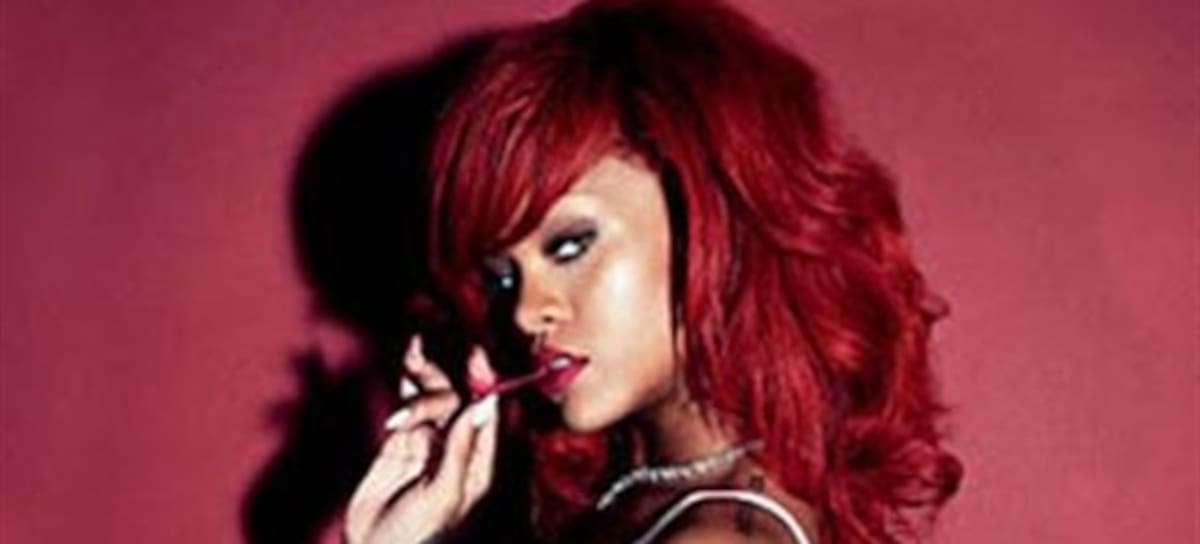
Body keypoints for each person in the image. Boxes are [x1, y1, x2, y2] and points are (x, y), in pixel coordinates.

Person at [343, 0, 963, 542]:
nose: (527, 313)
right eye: (504, 278)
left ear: (711, 220)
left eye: (570, 246)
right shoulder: (648, 493)